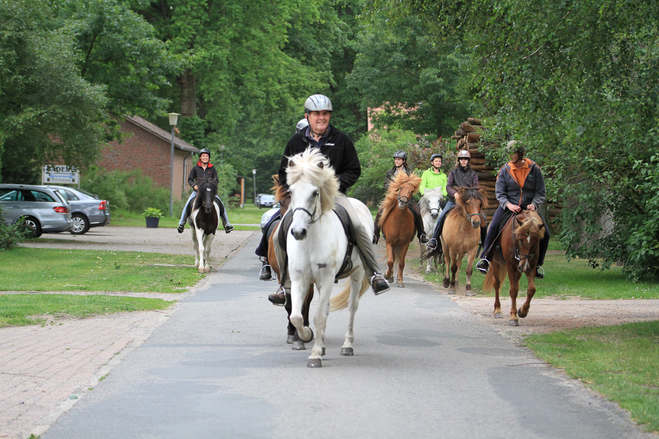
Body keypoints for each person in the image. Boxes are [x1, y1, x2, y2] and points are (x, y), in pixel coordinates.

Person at [267, 94, 390, 305]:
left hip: (334, 196)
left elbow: (354, 170)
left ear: (329, 116)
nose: (321, 118)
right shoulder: (296, 141)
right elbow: (284, 172)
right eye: (316, 114)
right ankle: (284, 284)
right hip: (303, 199)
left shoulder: (341, 140)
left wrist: (333, 184)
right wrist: (295, 190)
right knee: (279, 232)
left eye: (325, 114)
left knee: (358, 224)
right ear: (308, 116)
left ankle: (374, 274)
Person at [475, 141, 549, 278]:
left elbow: (540, 191)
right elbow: (500, 193)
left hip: (529, 208)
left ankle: (538, 264)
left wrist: (534, 204)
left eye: (512, 153)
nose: (510, 156)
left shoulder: (534, 168)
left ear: (520, 154)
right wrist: (508, 205)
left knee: (546, 233)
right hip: (510, 207)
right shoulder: (505, 170)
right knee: (493, 227)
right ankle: (484, 258)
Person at [255, 117, 309, 282]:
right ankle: (266, 260)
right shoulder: (291, 150)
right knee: (271, 222)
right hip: (292, 196)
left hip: (313, 197)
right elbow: (283, 173)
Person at [426, 150, 485, 252]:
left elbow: (476, 187)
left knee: (483, 218)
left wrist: (470, 195)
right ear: (459, 160)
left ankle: (485, 243)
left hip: (469, 202)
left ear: (468, 161)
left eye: (465, 159)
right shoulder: (453, 172)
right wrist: (455, 194)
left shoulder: (473, 174)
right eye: (461, 159)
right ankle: (434, 239)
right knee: (442, 216)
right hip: (454, 201)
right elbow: (448, 186)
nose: (463, 161)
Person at [372, 151, 429, 245]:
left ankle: (421, 234)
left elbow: (414, 185)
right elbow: (386, 185)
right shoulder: (390, 172)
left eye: (398, 160)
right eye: (395, 159)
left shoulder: (409, 172)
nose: (396, 161)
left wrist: (407, 191)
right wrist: (396, 189)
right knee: (379, 212)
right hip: (392, 198)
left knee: (418, 213)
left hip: (408, 198)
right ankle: (376, 234)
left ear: (403, 161)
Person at [177, 148, 233, 234]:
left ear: (209, 158)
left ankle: (227, 224)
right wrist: (194, 185)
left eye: (206, 156)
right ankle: (181, 223)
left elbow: (216, 180)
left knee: (221, 204)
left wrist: (211, 185)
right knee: (187, 204)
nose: (205, 157)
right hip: (198, 191)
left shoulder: (212, 168)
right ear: (200, 157)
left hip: (209, 192)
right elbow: (190, 179)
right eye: (203, 156)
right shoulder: (195, 168)